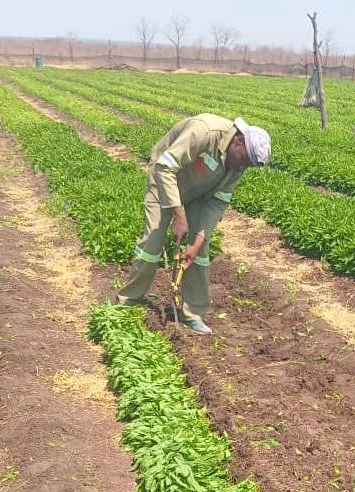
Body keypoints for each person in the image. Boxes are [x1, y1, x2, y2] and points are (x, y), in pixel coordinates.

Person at [116, 114, 271, 334]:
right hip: (166, 180)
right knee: (153, 241)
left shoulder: (238, 162)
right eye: (244, 160)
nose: (243, 167)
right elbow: (165, 167)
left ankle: (192, 314)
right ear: (238, 141)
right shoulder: (205, 132)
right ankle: (128, 301)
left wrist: (197, 242)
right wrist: (179, 216)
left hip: (202, 192)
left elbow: (219, 201)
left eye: (248, 165)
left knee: (201, 251)